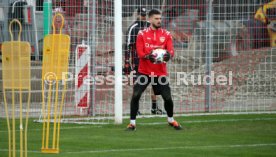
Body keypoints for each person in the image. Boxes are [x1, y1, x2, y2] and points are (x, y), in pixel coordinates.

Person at [126, 9, 182, 131]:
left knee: (168, 98)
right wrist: (149, 56)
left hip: (160, 73)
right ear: (150, 19)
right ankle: (132, 124)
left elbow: (171, 51)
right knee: (136, 95)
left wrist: (168, 55)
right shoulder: (142, 34)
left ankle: (171, 120)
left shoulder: (166, 34)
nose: (159, 21)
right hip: (144, 72)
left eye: (160, 18)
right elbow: (140, 53)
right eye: (156, 18)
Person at [124, 7, 165, 115]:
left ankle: (154, 107)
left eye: (144, 15)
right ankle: (136, 109)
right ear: (137, 15)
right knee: (138, 85)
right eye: (141, 15)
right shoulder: (133, 28)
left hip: (152, 61)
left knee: (155, 84)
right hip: (138, 61)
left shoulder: (150, 26)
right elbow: (128, 46)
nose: (143, 17)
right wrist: (127, 62)